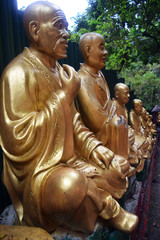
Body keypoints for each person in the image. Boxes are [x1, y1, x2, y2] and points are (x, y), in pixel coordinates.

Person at [0, 1, 138, 235]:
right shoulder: (17, 73)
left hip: (72, 161)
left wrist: (95, 148)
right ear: (35, 30)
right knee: (70, 186)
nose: (67, 34)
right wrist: (64, 96)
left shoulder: (62, 72)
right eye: (59, 26)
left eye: (66, 27)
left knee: (118, 166)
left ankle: (92, 196)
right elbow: (18, 140)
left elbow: (75, 124)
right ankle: (107, 207)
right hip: (41, 173)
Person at [113, 83, 146, 172]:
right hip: (120, 135)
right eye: (125, 93)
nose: (128, 96)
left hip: (128, 133)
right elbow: (116, 125)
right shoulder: (113, 106)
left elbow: (128, 125)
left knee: (144, 143)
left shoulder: (124, 107)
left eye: (128, 93)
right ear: (117, 94)